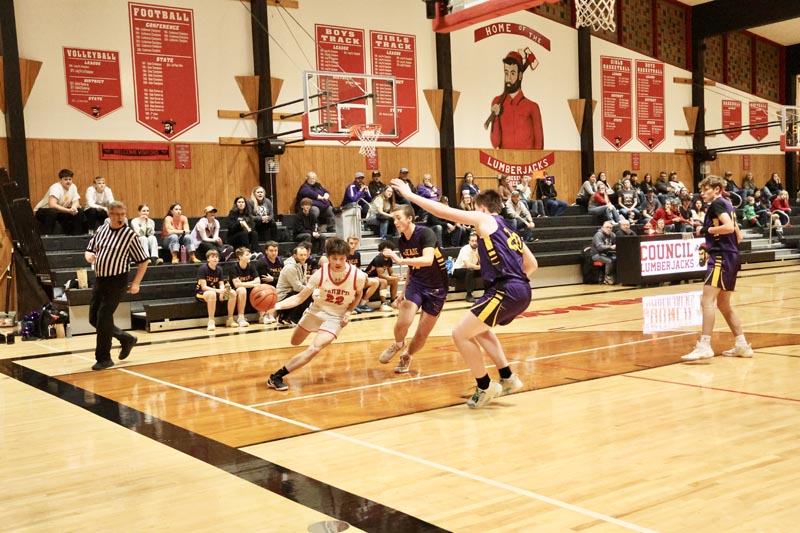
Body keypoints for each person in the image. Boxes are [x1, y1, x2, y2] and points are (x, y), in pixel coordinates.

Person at [390, 179, 537, 409]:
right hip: (521, 289)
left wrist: (410, 195)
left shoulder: (484, 219)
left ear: (481, 207)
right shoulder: (511, 230)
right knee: (479, 330)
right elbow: (532, 264)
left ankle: (485, 385)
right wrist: (516, 285)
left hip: (506, 288)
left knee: (459, 334)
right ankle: (508, 377)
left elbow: (444, 211)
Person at [267, 237, 367, 391]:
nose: (338, 262)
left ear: (347, 257)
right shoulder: (320, 274)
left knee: (314, 349)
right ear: (328, 258)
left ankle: (276, 376)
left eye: (342, 258)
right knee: (295, 342)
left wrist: (348, 311)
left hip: (336, 317)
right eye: (334, 258)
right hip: (317, 310)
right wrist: (275, 305)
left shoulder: (358, 276)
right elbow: (299, 298)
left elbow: (358, 294)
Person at [681, 175, 752, 361]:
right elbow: (738, 236)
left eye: (706, 190)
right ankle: (742, 345)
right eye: (702, 190)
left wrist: (707, 231)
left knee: (706, 301)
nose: (702, 193)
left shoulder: (718, 205)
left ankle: (704, 345)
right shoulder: (728, 204)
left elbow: (728, 227)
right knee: (723, 304)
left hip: (721, 257)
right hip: (731, 256)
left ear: (717, 189)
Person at [378, 204, 449, 375]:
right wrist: (403, 291)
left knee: (422, 333)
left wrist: (399, 261)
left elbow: (427, 260)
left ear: (409, 218)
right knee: (403, 322)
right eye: (393, 218)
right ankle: (398, 343)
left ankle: (407, 355)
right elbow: (413, 265)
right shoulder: (402, 240)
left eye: (398, 218)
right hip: (417, 284)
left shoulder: (426, 233)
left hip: (437, 287)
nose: (395, 222)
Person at [84, 201, 149, 370]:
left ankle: (104, 358)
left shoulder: (129, 235)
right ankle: (126, 338)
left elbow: (143, 261)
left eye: (123, 214)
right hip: (100, 280)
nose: (120, 218)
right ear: (109, 214)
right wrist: (89, 255)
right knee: (94, 319)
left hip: (117, 281)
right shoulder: (101, 230)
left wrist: (136, 283)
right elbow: (89, 249)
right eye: (117, 214)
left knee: (104, 317)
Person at [488, 49, 543, 150]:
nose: (508, 78)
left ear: (520, 76)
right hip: (504, 163)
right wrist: (495, 117)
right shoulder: (497, 103)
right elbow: (495, 143)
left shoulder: (533, 107)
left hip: (527, 164)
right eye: (506, 72)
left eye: (513, 73)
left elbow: (539, 146)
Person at [34, 168, 85, 235]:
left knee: (79, 211)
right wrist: (68, 211)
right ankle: (47, 236)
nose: (68, 181)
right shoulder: (56, 187)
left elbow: (76, 202)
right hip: (43, 211)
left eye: (70, 179)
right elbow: (52, 205)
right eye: (65, 179)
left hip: (59, 211)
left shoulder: (73, 187)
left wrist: (73, 208)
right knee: (52, 211)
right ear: (61, 180)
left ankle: (76, 235)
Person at [195, 249, 233, 331]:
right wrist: (219, 291)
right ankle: (211, 321)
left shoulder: (219, 269)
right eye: (212, 257)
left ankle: (230, 319)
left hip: (216, 291)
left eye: (216, 257)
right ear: (208, 259)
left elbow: (221, 284)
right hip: (202, 293)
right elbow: (204, 287)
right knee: (212, 294)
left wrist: (223, 291)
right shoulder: (203, 268)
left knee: (232, 292)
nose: (215, 258)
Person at [275, 245, 311, 325]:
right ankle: (291, 318)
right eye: (301, 255)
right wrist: (311, 290)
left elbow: (304, 283)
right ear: (295, 255)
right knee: (307, 294)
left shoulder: (302, 265)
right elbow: (297, 287)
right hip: (283, 296)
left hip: (292, 293)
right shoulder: (290, 267)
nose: (303, 257)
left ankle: (286, 316)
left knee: (308, 293)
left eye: (305, 255)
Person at [228, 247, 263, 328]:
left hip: (246, 288)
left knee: (260, 288)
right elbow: (236, 285)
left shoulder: (251, 266)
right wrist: (252, 284)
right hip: (230, 291)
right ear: (240, 257)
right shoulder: (234, 268)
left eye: (249, 254)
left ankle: (262, 315)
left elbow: (258, 281)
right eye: (247, 255)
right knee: (242, 290)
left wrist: (244, 284)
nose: (249, 256)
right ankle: (240, 318)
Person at [364, 241, 401, 309]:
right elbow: (380, 275)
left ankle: (392, 301)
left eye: (389, 250)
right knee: (384, 281)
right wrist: (392, 278)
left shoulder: (389, 259)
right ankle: (383, 303)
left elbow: (391, 273)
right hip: (369, 277)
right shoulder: (378, 258)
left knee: (394, 281)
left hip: (377, 277)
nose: (387, 252)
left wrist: (397, 276)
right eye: (385, 250)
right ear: (381, 250)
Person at [453, 232, 481, 302]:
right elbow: (468, 265)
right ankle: (469, 294)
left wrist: (479, 258)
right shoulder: (465, 249)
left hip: (472, 269)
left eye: (476, 241)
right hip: (458, 270)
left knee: (488, 270)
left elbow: (482, 263)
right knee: (470, 270)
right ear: (469, 241)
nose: (474, 243)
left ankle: (488, 291)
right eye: (472, 241)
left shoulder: (479, 249)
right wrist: (481, 267)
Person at [590, 221, 616, 285]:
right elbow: (599, 247)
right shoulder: (599, 235)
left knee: (616, 258)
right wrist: (610, 247)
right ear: (602, 228)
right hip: (596, 254)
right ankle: (607, 277)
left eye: (611, 228)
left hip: (607, 254)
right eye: (607, 227)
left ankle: (616, 277)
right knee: (609, 261)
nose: (609, 229)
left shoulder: (613, 235)